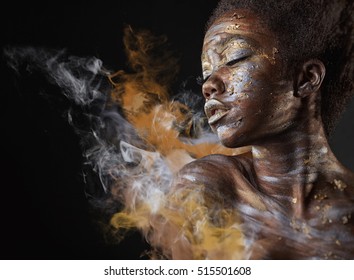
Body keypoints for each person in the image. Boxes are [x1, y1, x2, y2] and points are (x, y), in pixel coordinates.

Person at [168, 0, 354, 259]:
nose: (209, 85)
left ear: (306, 79)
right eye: (207, 71)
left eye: (234, 59)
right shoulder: (207, 188)